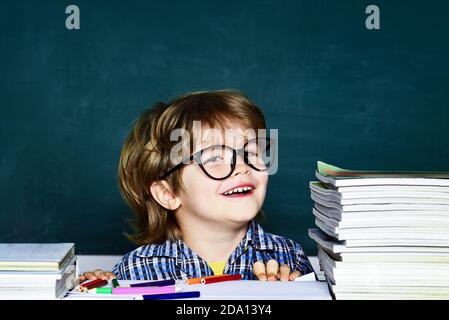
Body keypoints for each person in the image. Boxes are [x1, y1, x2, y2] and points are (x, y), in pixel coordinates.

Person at [79, 90, 313, 283]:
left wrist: (292, 293)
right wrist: (97, 290)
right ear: (167, 193)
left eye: (251, 152)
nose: (243, 167)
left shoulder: (290, 258)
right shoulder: (138, 269)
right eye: (214, 158)